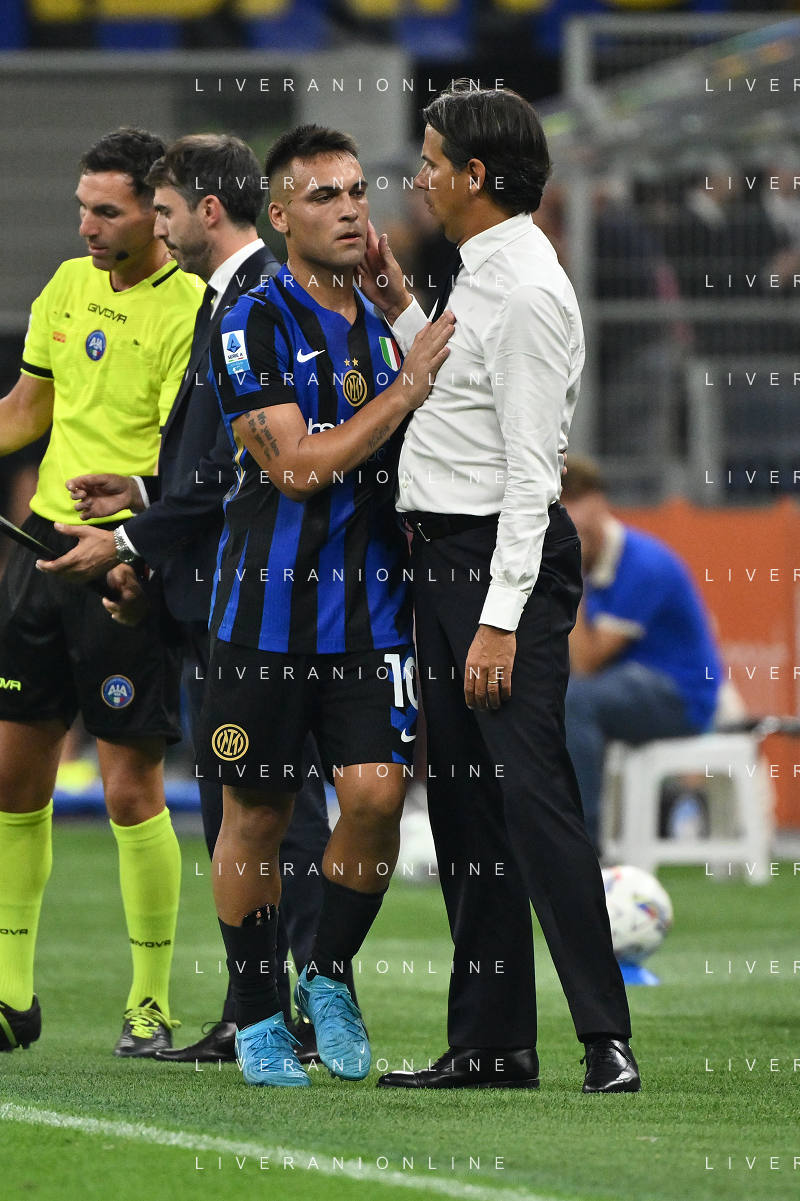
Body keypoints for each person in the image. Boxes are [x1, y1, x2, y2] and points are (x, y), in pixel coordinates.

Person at [358, 82, 638, 1093]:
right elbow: (459, 404)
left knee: (533, 792)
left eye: (432, 162)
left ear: (475, 176)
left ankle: (604, 1037)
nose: (419, 178)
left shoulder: (521, 289)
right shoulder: (478, 273)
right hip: (444, 557)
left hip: (494, 564)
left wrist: (497, 620)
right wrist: (401, 312)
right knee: (467, 806)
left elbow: (530, 476)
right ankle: (490, 1042)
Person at [40, 134, 341, 1066]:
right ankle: (257, 1009)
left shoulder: (256, 302)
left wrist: (132, 539)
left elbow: (241, 470)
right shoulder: (233, 298)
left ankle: (300, 1003)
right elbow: (216, 458)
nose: (158, 230)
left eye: (163, 211)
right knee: (240, 806)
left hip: (254, 596)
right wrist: (143, 491)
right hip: (220, 593)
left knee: (274, 807)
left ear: (207, 211)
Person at [195, 123, 453, 1087]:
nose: (349, 209)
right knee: (257, 814)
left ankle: (329, 971)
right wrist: (407, 389)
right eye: (322, 196)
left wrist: (406, 324)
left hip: (372, 611)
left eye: (356, 192)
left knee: (378, 796)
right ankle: (258, 1010)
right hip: (262, 614)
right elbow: (297, 468)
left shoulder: (390, 319)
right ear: (279, 214)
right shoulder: (251, 321)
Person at [0, 127, 201, 1058]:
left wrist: (133, 541)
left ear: (157, 214)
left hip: (122, 557)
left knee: (128, 788)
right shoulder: (66, 284)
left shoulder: (190, 309)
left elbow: (181, 454)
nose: (87, 225)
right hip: (39, 550)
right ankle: (10, 993)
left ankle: (149, 1004)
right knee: (12, 778)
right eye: (83, 207)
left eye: (107, 211)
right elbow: (27, 410)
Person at [560, 455, 722, 847]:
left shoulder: (643, 564)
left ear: (599, 504)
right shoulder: (600, 561)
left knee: (575, 701)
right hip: (627, 685)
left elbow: (585, 663)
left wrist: (566, 571)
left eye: (573, 504)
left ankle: (583, 846)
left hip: (682, 697)